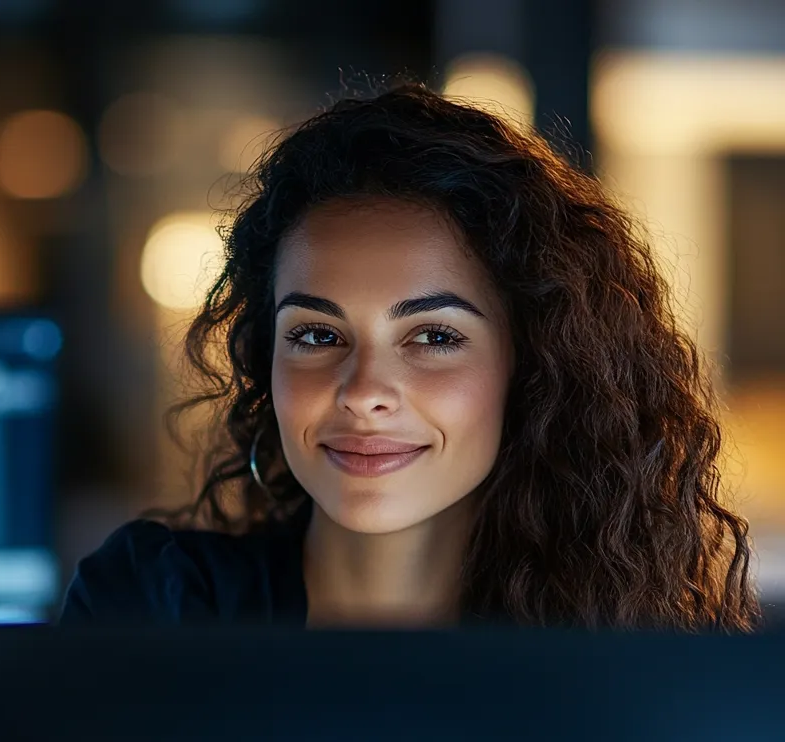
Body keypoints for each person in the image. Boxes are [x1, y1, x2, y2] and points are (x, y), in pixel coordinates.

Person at [60, 80, 760, 632]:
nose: (364, 391)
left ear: (533, 368)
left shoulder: (617, 654)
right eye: (315, 335)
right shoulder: (152, 608)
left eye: (433, 337)